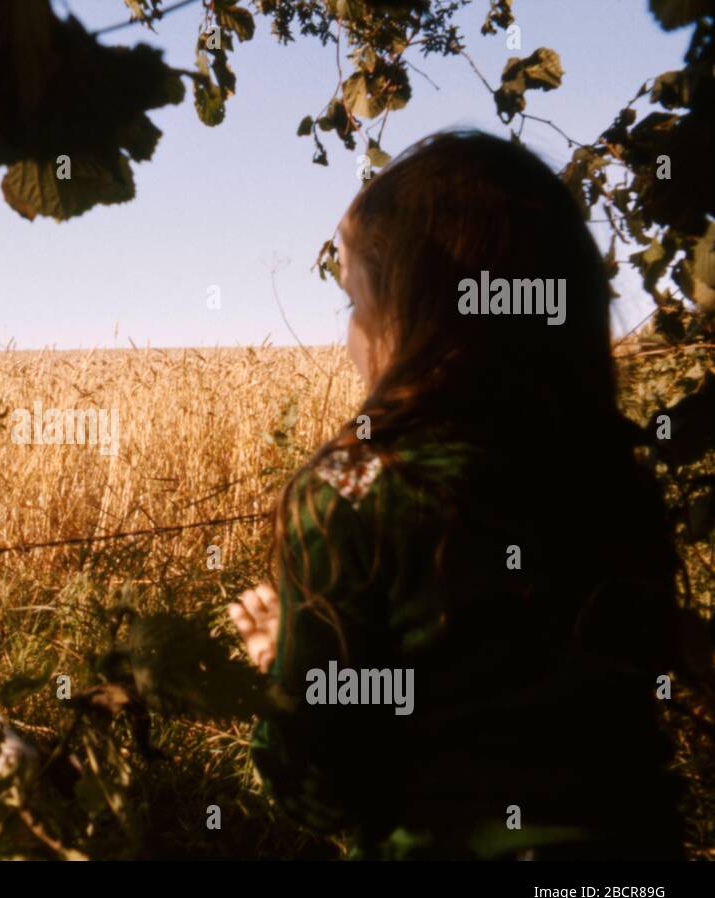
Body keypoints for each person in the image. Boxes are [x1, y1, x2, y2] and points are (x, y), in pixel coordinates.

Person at [231, 131, 685, 859]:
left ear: (412, 315)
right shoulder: (616, 477)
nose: (348, 334)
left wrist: (288, 666)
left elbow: (319, 785)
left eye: (354, 300)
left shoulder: (353, 491)